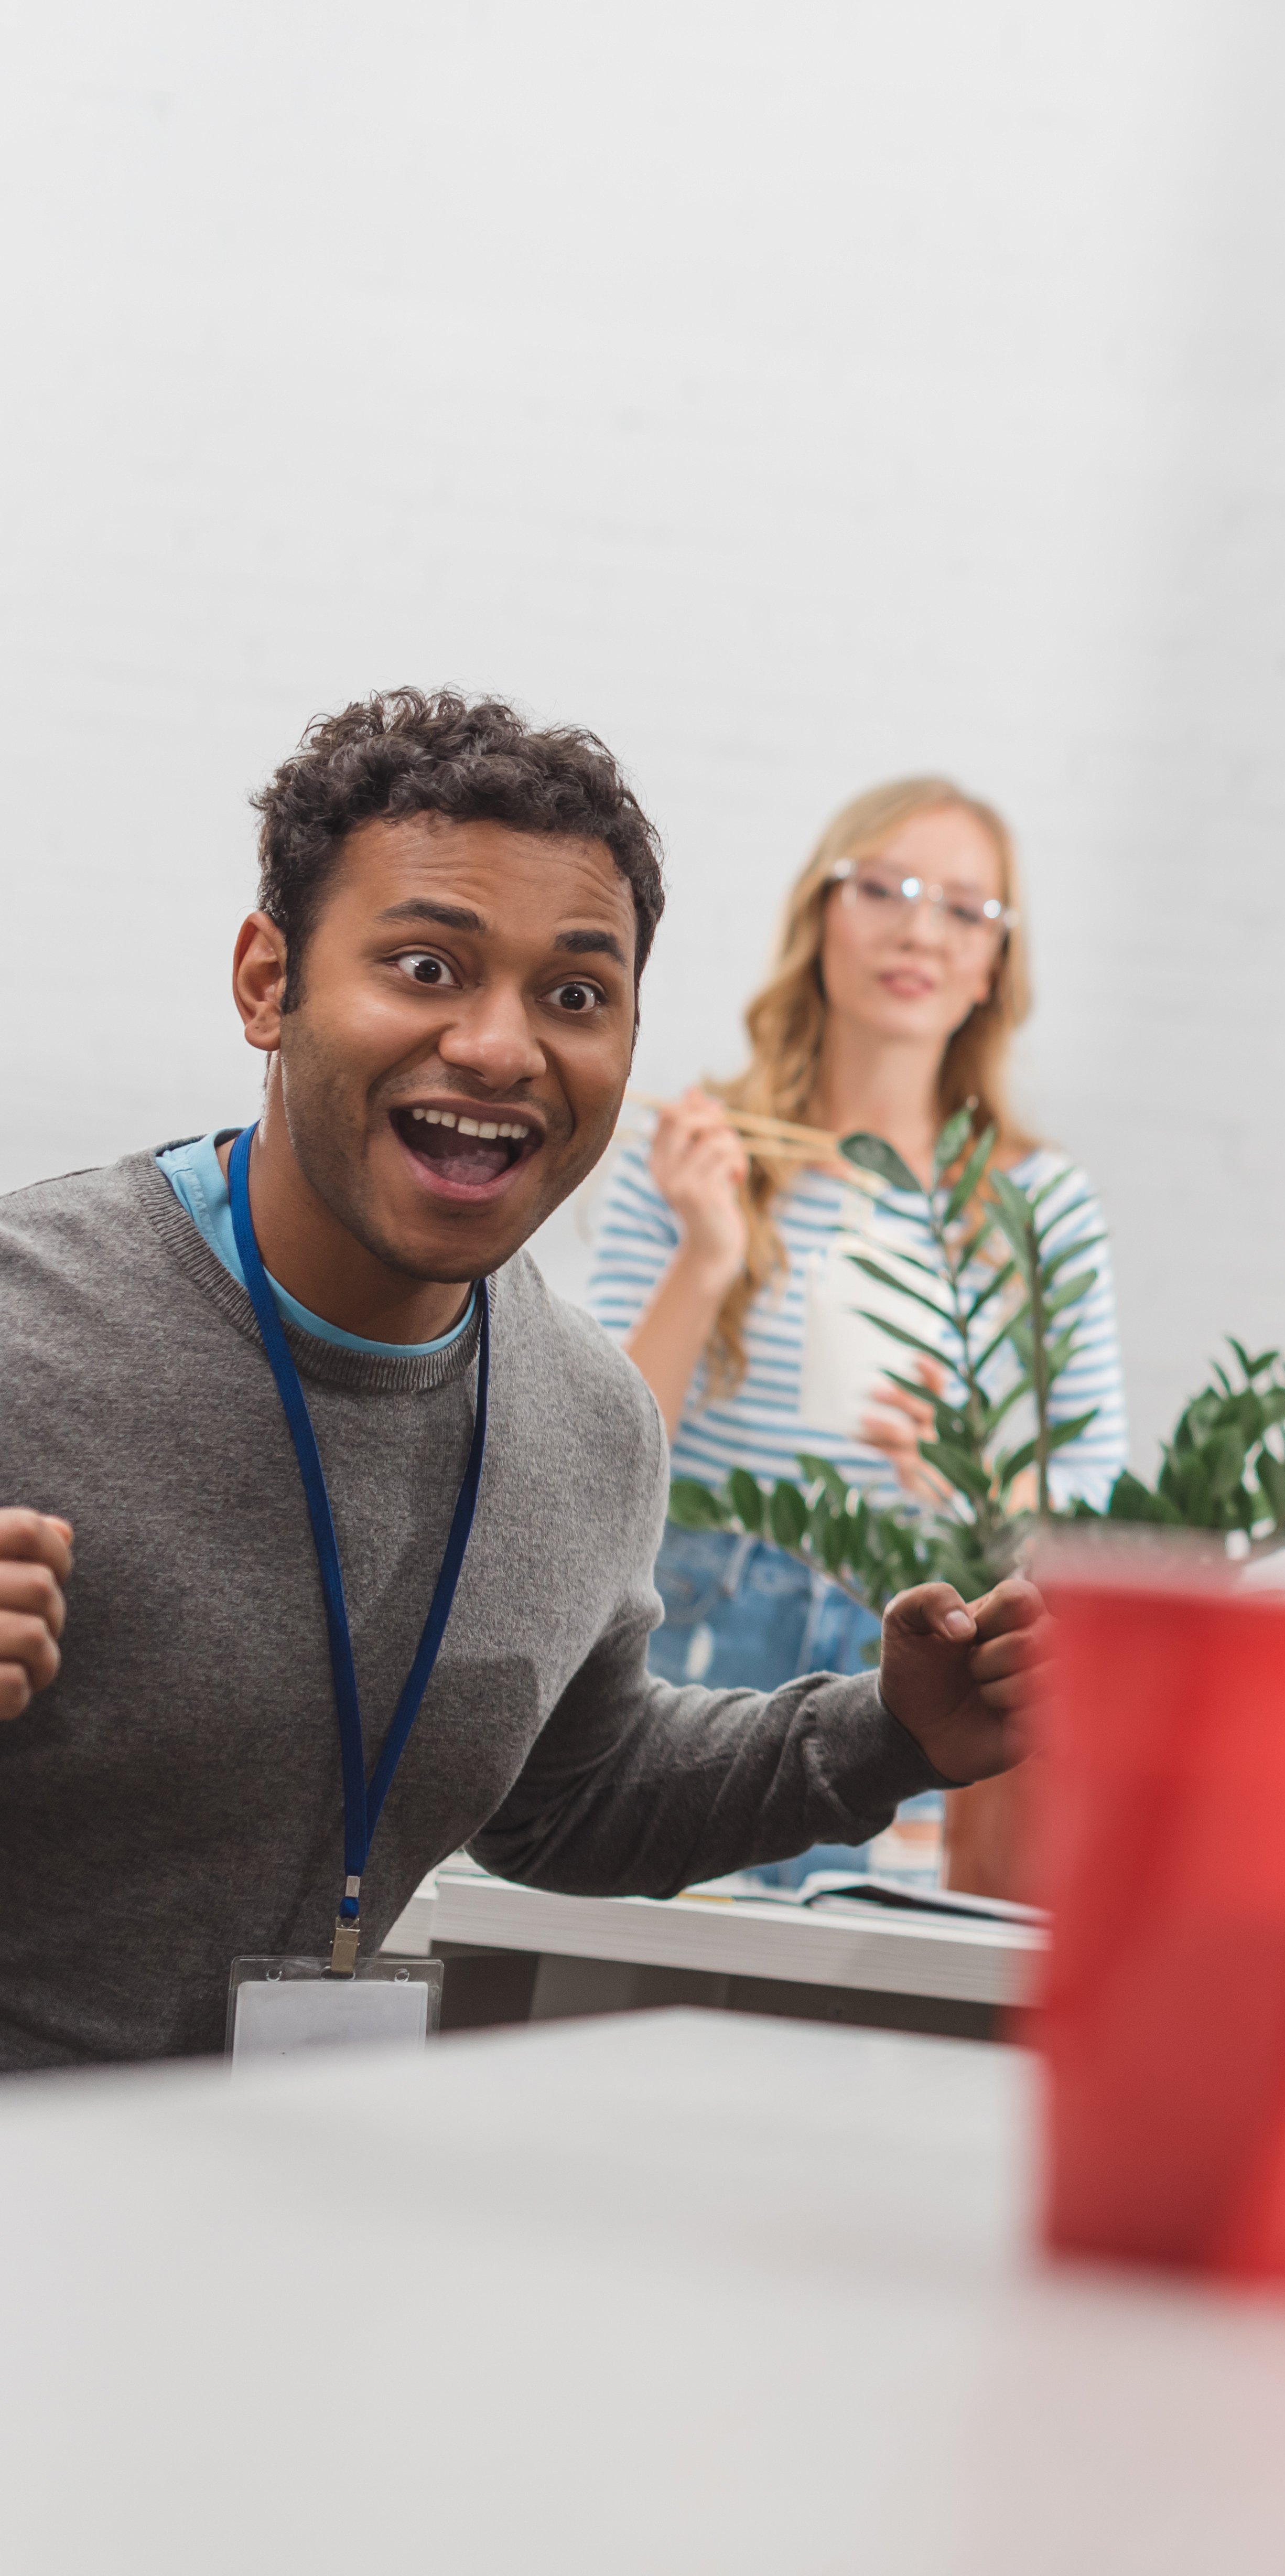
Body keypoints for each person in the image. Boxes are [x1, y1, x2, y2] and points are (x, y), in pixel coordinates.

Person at [0, 691, 1043, 2068]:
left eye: (574, 994)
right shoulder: (27, 1320)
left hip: (274, 2222)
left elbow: (578, 1793)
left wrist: (891, 1732)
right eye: (426, 967)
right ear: (269, 981)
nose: (501, 1047)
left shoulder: (590, 1420)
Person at [582, 781, 1121, 1890]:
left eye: (966, 910)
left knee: (860, 1997)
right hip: (692, 1646)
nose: (920, 928)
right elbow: (599, 1454)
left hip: (911, 1660)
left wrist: (976, 1482)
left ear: (993, 964)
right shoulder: (697, 1151)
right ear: (822, 913)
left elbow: (1091, 1510)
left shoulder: (1039, 1204)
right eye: (886, 889)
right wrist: (709, 1255)